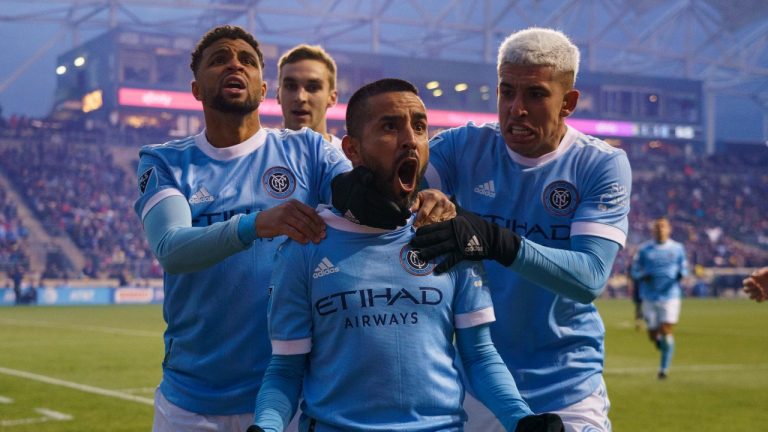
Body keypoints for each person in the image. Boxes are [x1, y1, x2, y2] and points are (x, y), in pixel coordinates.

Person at [134, 26, 454, 431]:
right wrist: (255, 225)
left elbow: (364, 197)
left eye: (247, 60)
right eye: (220, 59)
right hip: (192, 400)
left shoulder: (309, 150)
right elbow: (171, 249)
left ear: (264, 89)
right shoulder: (166, 162)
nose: (235, 64)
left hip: (291, 395)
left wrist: (419, 198)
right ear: (196, 89)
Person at [250, 78, 563, 432]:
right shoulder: (307, 243)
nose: (410, 139)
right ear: (351, 149)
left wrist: (521, 419)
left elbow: (480, 357)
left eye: (418, 126)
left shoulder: (447, 235)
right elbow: (285, 370)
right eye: (389, 126)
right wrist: (267, 427)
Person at [411, 28, 632, 432]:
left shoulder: (599, 165)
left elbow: (589, 278)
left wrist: (495, 240)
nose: (517, 109)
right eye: (507, 92)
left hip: (567, 385)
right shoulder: (464, 147)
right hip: (475, 382)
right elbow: (394, 185)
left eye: (535, 95)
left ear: (568, 102)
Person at [631, 217, 688, 379]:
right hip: (649, 296)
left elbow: (684, 268)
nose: (660, 230)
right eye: (657, 227)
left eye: (663, 227)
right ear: (653, 230)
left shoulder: (678, 248)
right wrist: (643, 275)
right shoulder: (644, 250)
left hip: (670, 296)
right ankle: (661, 343)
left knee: (666, 330)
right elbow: (634, 271)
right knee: (653, 334)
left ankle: (663, 370)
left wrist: (681, 274)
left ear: (669, 229)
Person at [277, 44, 341, 148]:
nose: (300, 97)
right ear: (278, 95)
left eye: (313, 88)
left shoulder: (350, 160)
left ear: (332, 98)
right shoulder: (257, 158)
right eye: (290, 86)